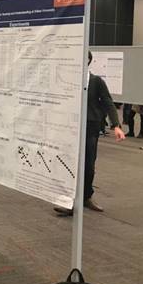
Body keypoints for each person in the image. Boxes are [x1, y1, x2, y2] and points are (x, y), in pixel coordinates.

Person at [55, 52, 125, 216]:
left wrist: (116, 125)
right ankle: (69, 201)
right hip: (69, 126)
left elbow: (108, 102)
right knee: (69, 163)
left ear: (88, 60)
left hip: (90, 127)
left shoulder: (96, 81)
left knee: (88, 165)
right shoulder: (67, 79)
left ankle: (86, 196)